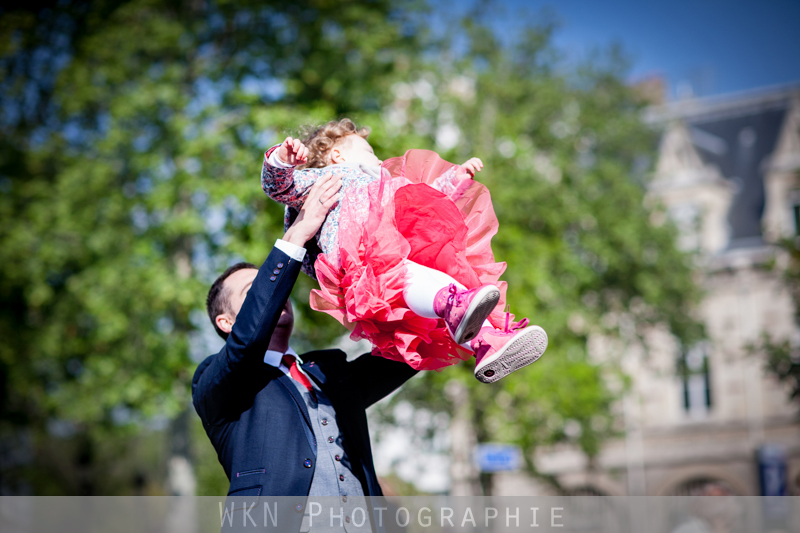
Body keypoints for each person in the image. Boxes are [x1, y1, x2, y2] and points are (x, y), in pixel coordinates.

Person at [192, 173, 416, 531]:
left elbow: (404, 354)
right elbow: (248, 342)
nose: (277, 295)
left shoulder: (330, 370)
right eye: (256, 291)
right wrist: (296, 235)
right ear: (226, 322)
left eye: (276, 287)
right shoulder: (216, 383)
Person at [260, 119, 548, 383]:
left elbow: (422, 199)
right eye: (369, 150)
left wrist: (455, 179)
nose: (377, 157)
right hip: (360, 254)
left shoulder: (384, 182)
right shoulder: (328, 179)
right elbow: (279, 187)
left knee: (451, 285)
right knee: (414, 281)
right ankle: (455, 308)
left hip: (395, 248)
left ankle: (486, 342)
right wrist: (281, 160)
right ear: (337, 154)